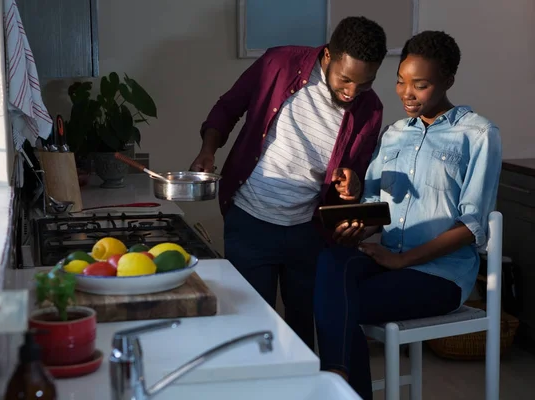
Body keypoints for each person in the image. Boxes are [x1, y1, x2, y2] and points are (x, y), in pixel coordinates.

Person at [313, 30, 503, 399]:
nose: (407, 93)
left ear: (448, 81)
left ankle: (340, 387)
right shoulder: (395, 133)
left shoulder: (478, 135)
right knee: (332, 263)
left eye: (421, 85)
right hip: (389, 260)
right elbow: (371, 201)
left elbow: (472, 225)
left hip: (440, 277)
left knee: (337, 302)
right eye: (401, 81)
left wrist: (403, 261)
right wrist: (353, 191)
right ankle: (341, 380)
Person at [189, 17, 388, 349]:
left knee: (302, 332)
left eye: (365, 83)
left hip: (309, 232)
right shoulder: (278, 64)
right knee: (249, 330)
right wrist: (208, 150)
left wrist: (352, 184)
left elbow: (355, 174)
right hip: (250, 221)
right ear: (328, 56)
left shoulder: (371, 109)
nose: (352, 92)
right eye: (345, 79)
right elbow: (228, 106)